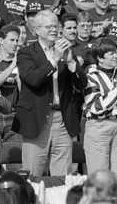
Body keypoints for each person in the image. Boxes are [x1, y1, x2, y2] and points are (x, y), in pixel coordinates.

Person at [11, 10, 88, 176]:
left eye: (56, 26)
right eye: (49, 26)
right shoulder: (26, 52)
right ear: (37, 30)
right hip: (37, 120)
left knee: (63, 178)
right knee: (33, 176)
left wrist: (71, 63)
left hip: (63, 119)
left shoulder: (67, 50)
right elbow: (33, 79)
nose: (54, 30)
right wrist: (54, 59)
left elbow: (82, 84)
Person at [83, 38, 117, 175]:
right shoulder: (90, 76)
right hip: (99, 125)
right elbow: (97, 107)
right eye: (111, 53)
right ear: (100, 57)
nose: (116, 56)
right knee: (99, 177)